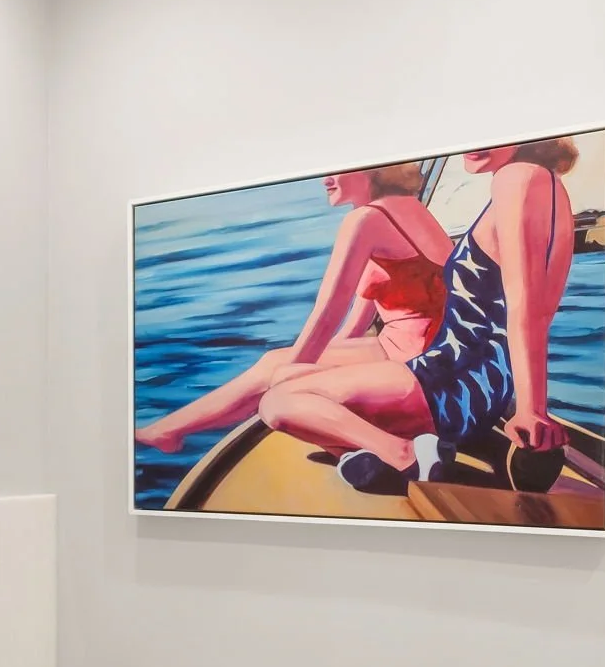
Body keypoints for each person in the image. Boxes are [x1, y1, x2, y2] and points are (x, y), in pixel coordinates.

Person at [256, 138, 578, 491]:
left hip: (459, 382)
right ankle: (372, 455)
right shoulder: (543, 184)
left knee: (278, 401)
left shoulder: (516, 178)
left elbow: (525, 304)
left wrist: (532, 410)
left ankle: (402, 455)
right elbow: (536, 306)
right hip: (470, 377)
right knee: (287, 378)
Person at [134, 164, 450, 455]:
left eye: (337, 170)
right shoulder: (406, 211)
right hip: (413, 347)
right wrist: (296, 368)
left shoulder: (365, 221)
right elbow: (353, 327)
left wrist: (290, 377)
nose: (325, 179)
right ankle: (170, 429)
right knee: (274, 361)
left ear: (373, 172)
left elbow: (327, 315)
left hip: (412, 359)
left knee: (281, 377)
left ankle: (169, 431)